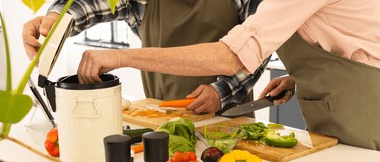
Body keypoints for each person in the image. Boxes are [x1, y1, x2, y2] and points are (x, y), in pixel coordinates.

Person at [73, 0, 380, 151]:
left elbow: (230, 56)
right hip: (342, 114)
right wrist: (297, 77)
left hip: (364, 118)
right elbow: (349, 36)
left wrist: (119, 57)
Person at [22, 0, 267, 115]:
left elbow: (257, 51)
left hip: (229, 122)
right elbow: (91, 4)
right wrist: (57, 19)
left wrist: (222, 91)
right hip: (161, 120)